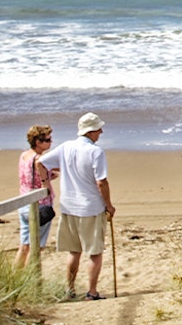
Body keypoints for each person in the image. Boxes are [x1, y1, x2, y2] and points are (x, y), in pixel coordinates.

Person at [39, 112, 115, 301]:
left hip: (69, 206)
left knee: (75, 251)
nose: (101, 132)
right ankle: (92, 292)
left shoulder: (66, 147)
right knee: (95, 252)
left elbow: (41, 163)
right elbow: (101, 182)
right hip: (90, 207)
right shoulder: (95, 151)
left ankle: (70, 289)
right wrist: (109, 205)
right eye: (98, 129)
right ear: (91, 132)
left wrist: (45, 184)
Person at [14, 124, 55, 268]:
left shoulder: (24, 155)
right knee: (36, 246)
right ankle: (31, 277)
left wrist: (48, 176)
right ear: (38, 142)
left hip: (24, 201)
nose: (51, 142)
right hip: (40, 205)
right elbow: (42, 176)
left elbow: (30, 175)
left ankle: (16, 275)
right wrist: (46, 182)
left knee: (24, 244)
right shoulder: (39, 159)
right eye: (48, 140)